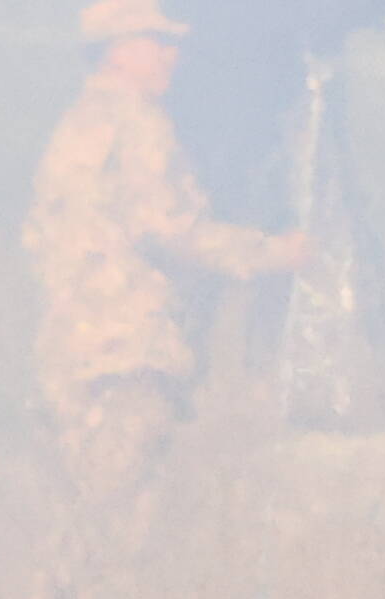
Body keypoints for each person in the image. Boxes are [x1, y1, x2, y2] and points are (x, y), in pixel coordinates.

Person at [34, 0, 316, 498]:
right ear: (115, 51)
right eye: (157, 42)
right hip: (131, 352)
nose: (172, 55)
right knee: (122, 514)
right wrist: (274, 252)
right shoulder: (138, 122)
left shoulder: (74, 127)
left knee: (83, 510)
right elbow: (171, 229)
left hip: (72, 352)